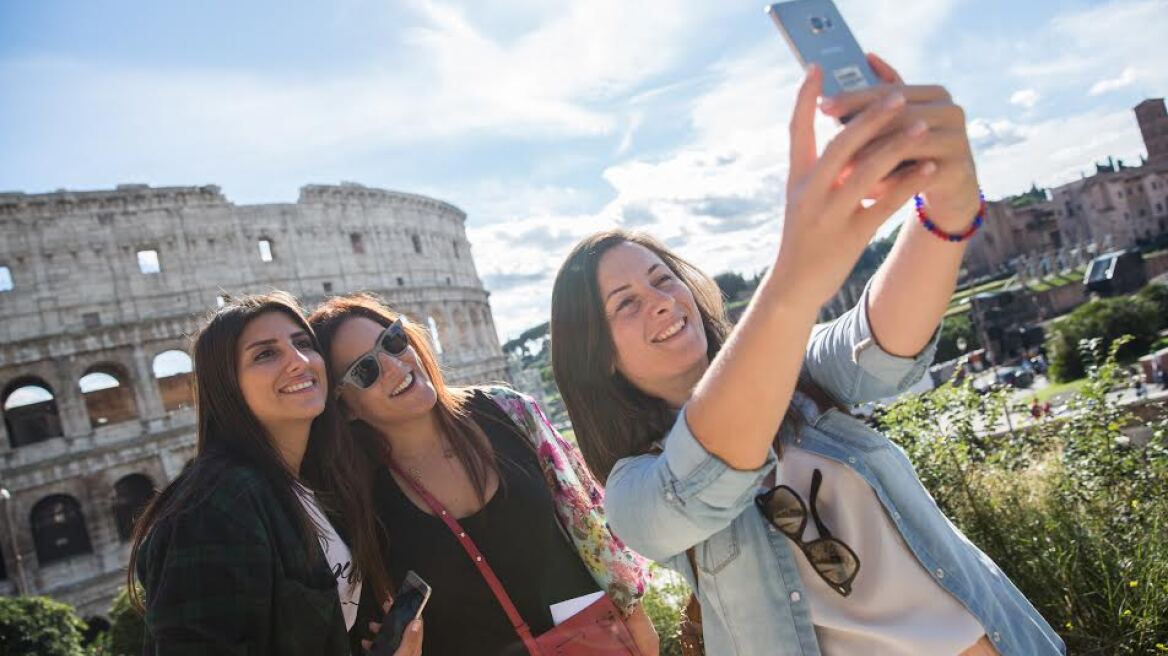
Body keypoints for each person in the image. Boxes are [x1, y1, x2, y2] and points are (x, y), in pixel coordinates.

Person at [550, 55, 1064, 655]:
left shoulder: (801, 375)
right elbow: (706, 477)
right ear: (599, 355)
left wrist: (945, 207)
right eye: (625, 304)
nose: (661, 302)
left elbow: (878, 347)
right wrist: (794, 280)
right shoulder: (634, 494)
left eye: (664, 279)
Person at [308, 294, 658, 656]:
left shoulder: (507, 410)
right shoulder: (358, 500)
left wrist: (635, 616)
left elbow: (587, 520)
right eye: (366, 371)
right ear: (344, 407)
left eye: (393, 341)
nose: (396, 366)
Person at [129, 292, 422, 656]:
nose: (299, 361)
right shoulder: (215, 507)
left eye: (303, 344)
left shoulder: (311, 482)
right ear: (227, 385)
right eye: (265, 354)